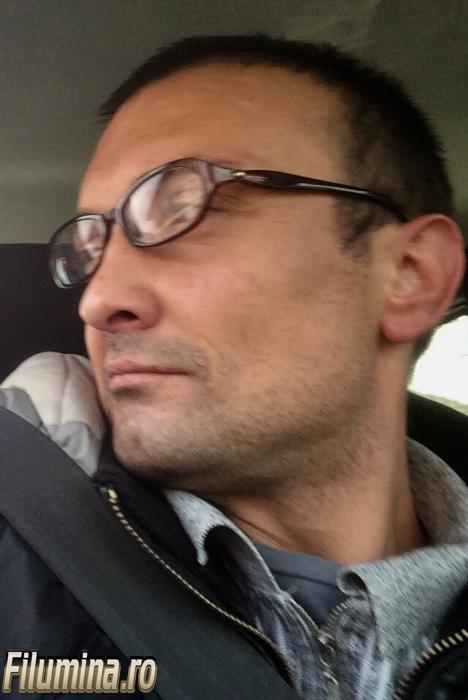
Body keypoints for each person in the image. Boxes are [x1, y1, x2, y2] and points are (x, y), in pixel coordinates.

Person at [1, 34, 467, 699]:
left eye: (182, 207)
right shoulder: (22, 559)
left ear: (410, 276)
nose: (98, 300)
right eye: (90, 248)